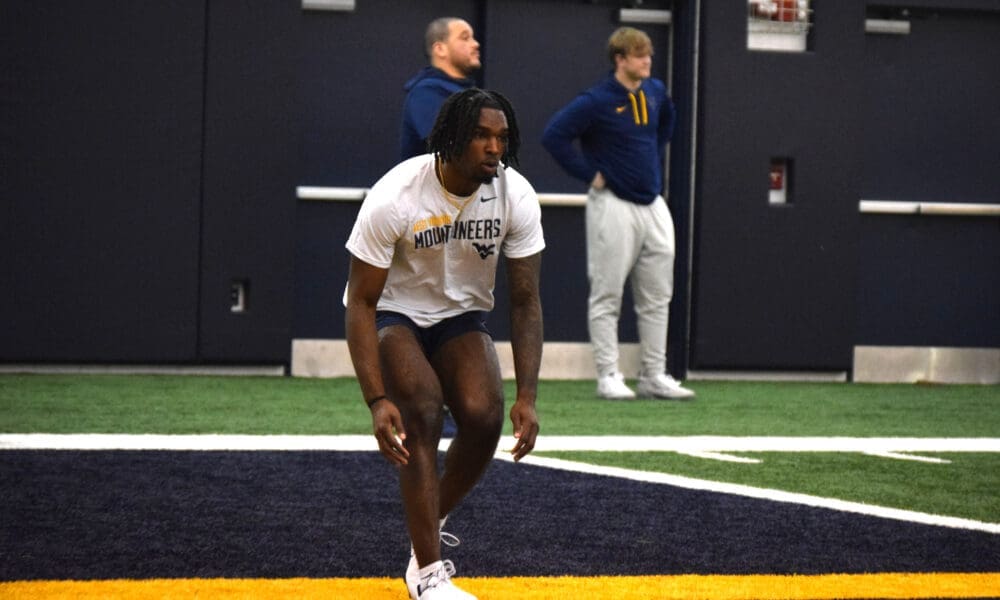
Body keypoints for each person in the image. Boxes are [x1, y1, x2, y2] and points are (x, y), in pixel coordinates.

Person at [345, 88, 544, 600]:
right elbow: (361, 302)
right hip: (395, 312)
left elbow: (524, 300)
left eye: (502, 137)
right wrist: (376, 398)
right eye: (481, 135)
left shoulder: (516, 194)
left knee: (483, 415)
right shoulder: (395, 194)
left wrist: (528, 396)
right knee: (425, 410)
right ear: (452, 137)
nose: (494, 147)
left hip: (460, 314)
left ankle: (423, 537)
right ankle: (430, 577)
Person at [541, 26, 694, 400]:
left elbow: (666, 123)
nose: (647, 61)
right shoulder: (596, 100)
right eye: (640, 55)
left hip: (654, 203)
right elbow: (553, 135)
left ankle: (654, 375)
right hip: (613, 205)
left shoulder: (655, 92)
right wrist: (590, 175)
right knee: (607, 292)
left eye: (649, 55)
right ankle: (608, 374)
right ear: (620, 60)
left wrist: (650, 162)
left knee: (659, 295)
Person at [399, 17, 480, 160]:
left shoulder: (472, 95)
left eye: (473, 38)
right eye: (465, 38)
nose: (475, 44)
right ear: (440, 49)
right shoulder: (425, 93)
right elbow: (449, 148)